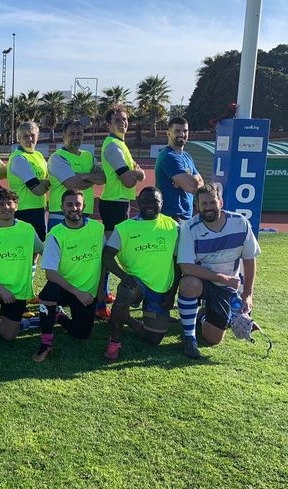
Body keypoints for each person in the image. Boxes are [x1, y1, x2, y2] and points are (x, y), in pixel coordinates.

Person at [176, 183, 261, 357]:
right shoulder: (189, 228)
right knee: (188, 284)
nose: (208, 208)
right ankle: (189, 338)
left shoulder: (240, 222)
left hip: (227, 287)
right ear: (197, 206)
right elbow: (186, 267)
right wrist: (222, 278)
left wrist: (248, 294)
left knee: (213, 338)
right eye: (203, 204)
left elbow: (249, 259)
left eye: (212, 203)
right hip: (204, 282)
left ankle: (204, 316)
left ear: (221, 202)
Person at [101, 187, 178, 361]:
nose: (150, 205)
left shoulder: (172, 226)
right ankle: (114, 342)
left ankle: (127, 318)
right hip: (137, 284)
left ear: (162, 203)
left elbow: (177, 262)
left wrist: (172, 292)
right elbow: (107, 256)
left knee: (153, 338)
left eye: (155, 202)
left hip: (161, 288)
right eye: (145, 201)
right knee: (126, 291)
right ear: (138, 203)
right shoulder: (124, 228)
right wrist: (124, 276)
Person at [33, 189, 104, 362]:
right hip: (66, 289)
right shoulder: (56, 235)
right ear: (61, 207)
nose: (74, 208)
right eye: (69, 204)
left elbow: (104, 263)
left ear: (84, 206)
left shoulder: (97, 229)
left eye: (78, 204)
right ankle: (46, 342)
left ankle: (59, 316)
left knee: (82, 334)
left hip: (87, 294)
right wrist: (76, 292)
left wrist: (99, 293)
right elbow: (50, 273)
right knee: (48, 294)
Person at [0, 188, 44, 356]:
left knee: (8, 335)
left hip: (17, 290)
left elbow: (43, 250)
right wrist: (2, 290)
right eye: (0, 204)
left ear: (16, 206)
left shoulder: (27, 229)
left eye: (9, 203)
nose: (5, 207)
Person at [98, 104, 146, 320]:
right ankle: (99, 302)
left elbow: (137, 175)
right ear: (108, 124)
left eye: (125, 119)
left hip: (120, 203)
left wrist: (136, 173)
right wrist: (136, 173)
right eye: (118, 120)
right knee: (108, 255)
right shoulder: (113, 147)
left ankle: (104, 294)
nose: (123, 123)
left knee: (113, 252)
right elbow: (129, 180)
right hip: (113, 204)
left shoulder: (121, 144)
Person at [47, 121, 104, 230]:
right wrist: (93, 178)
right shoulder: (58, 158)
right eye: (72, 134)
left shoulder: (89, 156)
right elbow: (73, 184)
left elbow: (102, 178)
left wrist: (84, 176)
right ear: (64, 136)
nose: (76, 137)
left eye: (79, 134)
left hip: (84, 212)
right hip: (61, 214)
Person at [155, 116, 203, 224]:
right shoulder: (169, 156)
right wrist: (189, 181)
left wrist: (186, 180)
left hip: (185, 216)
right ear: (168, 133)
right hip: (171, 217)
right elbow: (192, 187)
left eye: (185, 131)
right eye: (177, 131)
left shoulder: (187, 156)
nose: (182, 134)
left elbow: (200, 182)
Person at [7, 121, 49, 242]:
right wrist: (48, 182)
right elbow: (38, 189)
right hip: (24, 211)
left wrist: (44, 182)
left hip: (40, 208)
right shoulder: (18, 158)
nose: (30, 139)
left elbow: (46, 180)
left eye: (32, 135)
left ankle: (34, 263)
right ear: (19, 138)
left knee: (39, 246)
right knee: (26, 248)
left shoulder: (39, 155)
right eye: (25, 136)